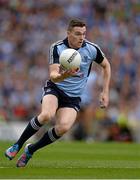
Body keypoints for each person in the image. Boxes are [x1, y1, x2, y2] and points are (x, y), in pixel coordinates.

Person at [5, 19, 111, 167]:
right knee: (47, 115)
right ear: (68, 33)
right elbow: (53, 76)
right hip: (55, 88)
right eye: (78, 34)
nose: (82, 37)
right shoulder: (57, 48)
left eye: (84, 34)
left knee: (64, 128)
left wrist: (105, 92)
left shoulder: (92, 49)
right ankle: (17, 145)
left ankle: (31, 150)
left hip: (73, 97)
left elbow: (106, 66)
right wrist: (65, 75)